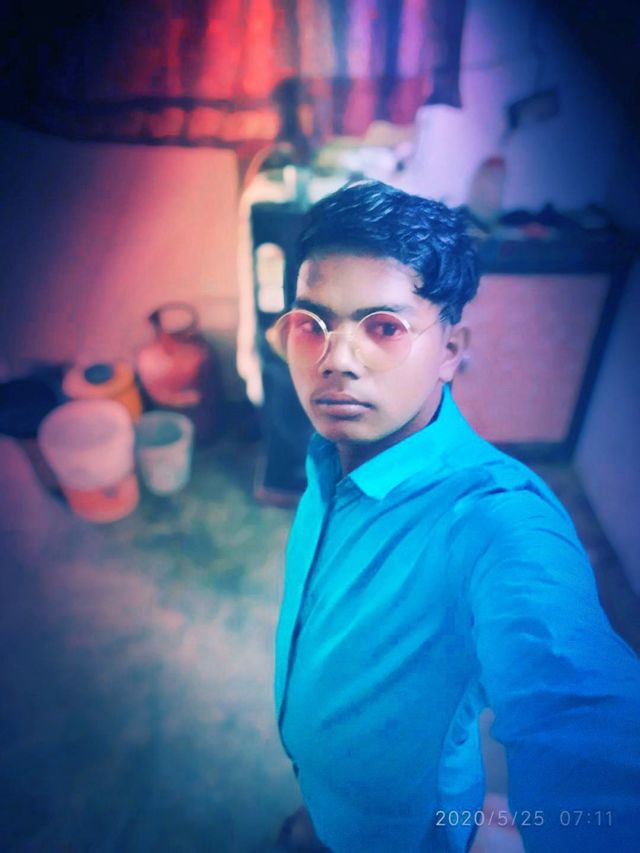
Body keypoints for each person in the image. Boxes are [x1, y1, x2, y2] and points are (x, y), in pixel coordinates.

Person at [269, 180, 640, 852]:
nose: (335, 361)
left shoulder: (497, 524)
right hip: (331, 796)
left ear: (449, 349)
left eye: (384, 327)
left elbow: (587, 733)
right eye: (313, 325)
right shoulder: (331, 451)